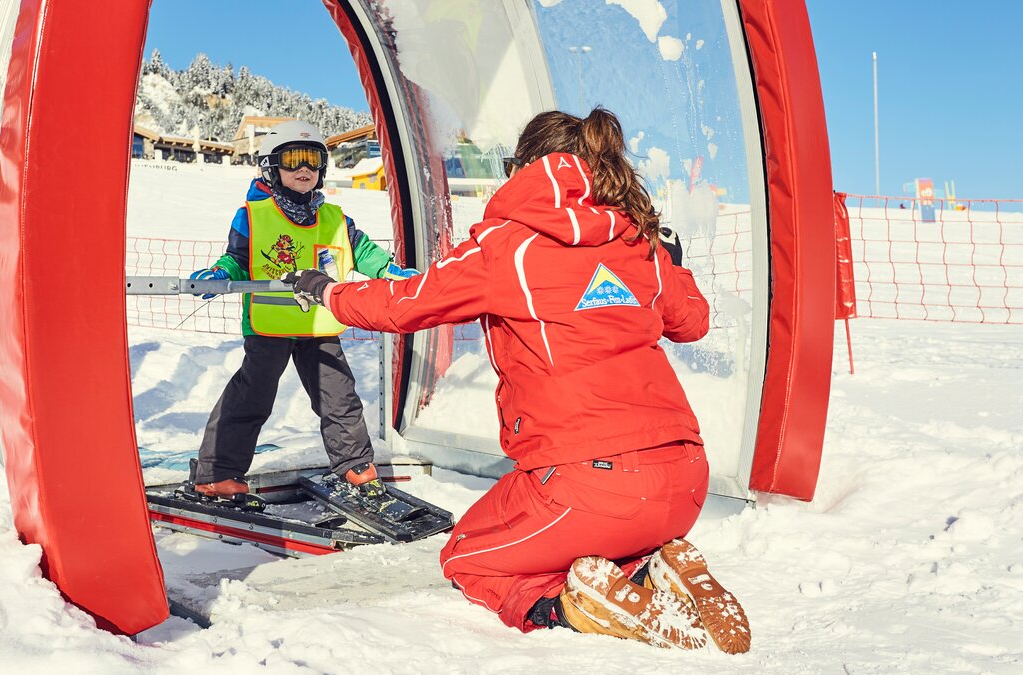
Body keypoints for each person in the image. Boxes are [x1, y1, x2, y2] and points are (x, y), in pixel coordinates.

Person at [285, 108, 750, 653]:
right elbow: (691, 322)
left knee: (466, 556)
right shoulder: (637, 240)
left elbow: (404, 304)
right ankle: (650, 569)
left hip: (589, 483)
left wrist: (326, 291)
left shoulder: (509, 245)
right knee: (590, 528)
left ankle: (574, 605)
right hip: (685, 480)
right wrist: (671, 261)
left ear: (527, 166)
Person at [191, 119, 417, 502]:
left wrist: (389, 269)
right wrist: (219, 274)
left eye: (313, 161)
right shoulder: (254, 214)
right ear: (271, 166)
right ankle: (218, 473)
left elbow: (362, 250)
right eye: (293, 159)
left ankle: (355, 466)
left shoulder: (333, 218)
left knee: (339, 395)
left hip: (319, 323)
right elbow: (238, 258)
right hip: (270, 324)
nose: (304, 170)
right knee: (253, 396)